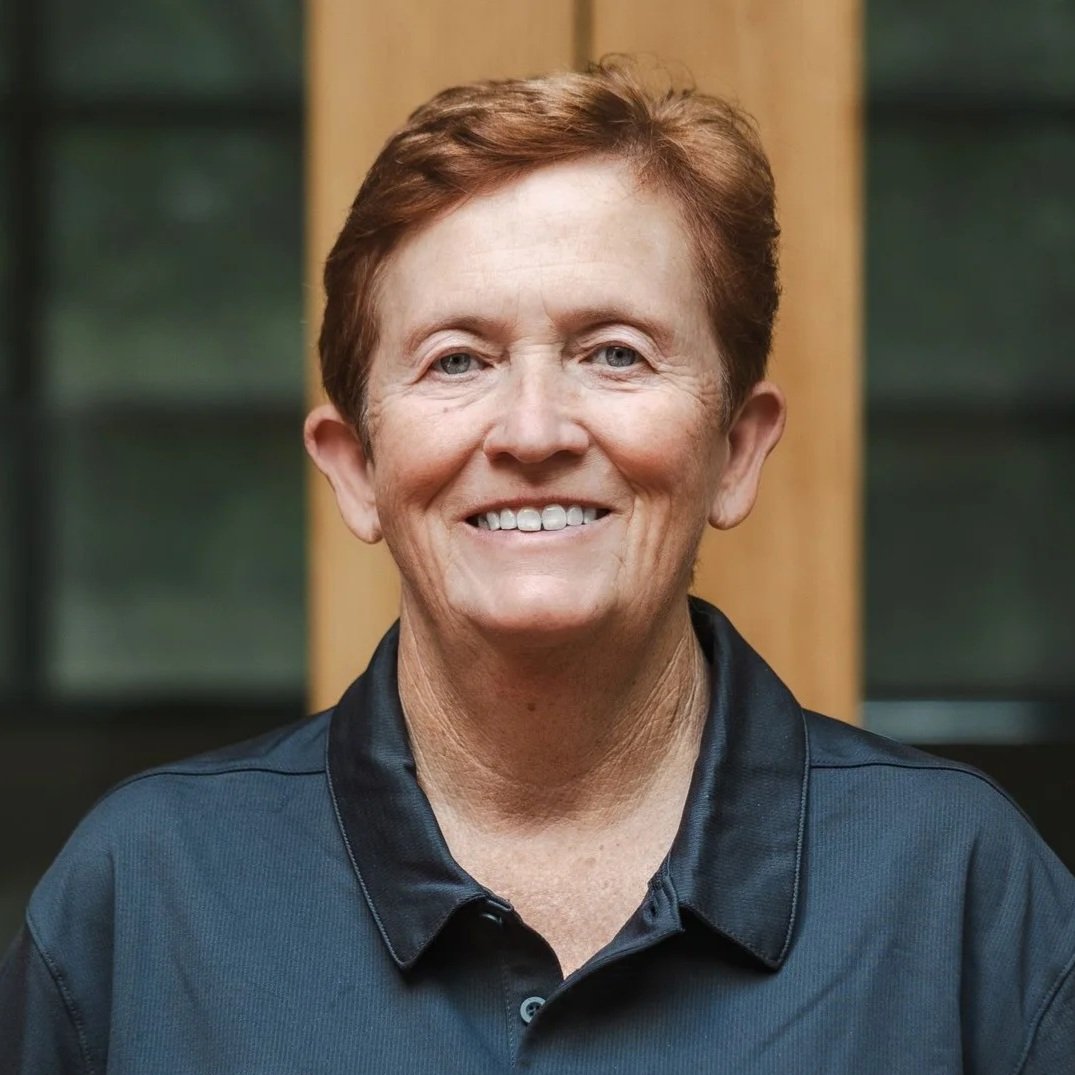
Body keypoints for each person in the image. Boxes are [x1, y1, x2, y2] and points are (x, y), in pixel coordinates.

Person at [2, 59, 1073, 1074]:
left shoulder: (957, 887)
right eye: (456, 360)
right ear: (355, 469)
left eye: (614, 351)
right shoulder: (149, 892)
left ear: (735, 452)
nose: (531, 429)